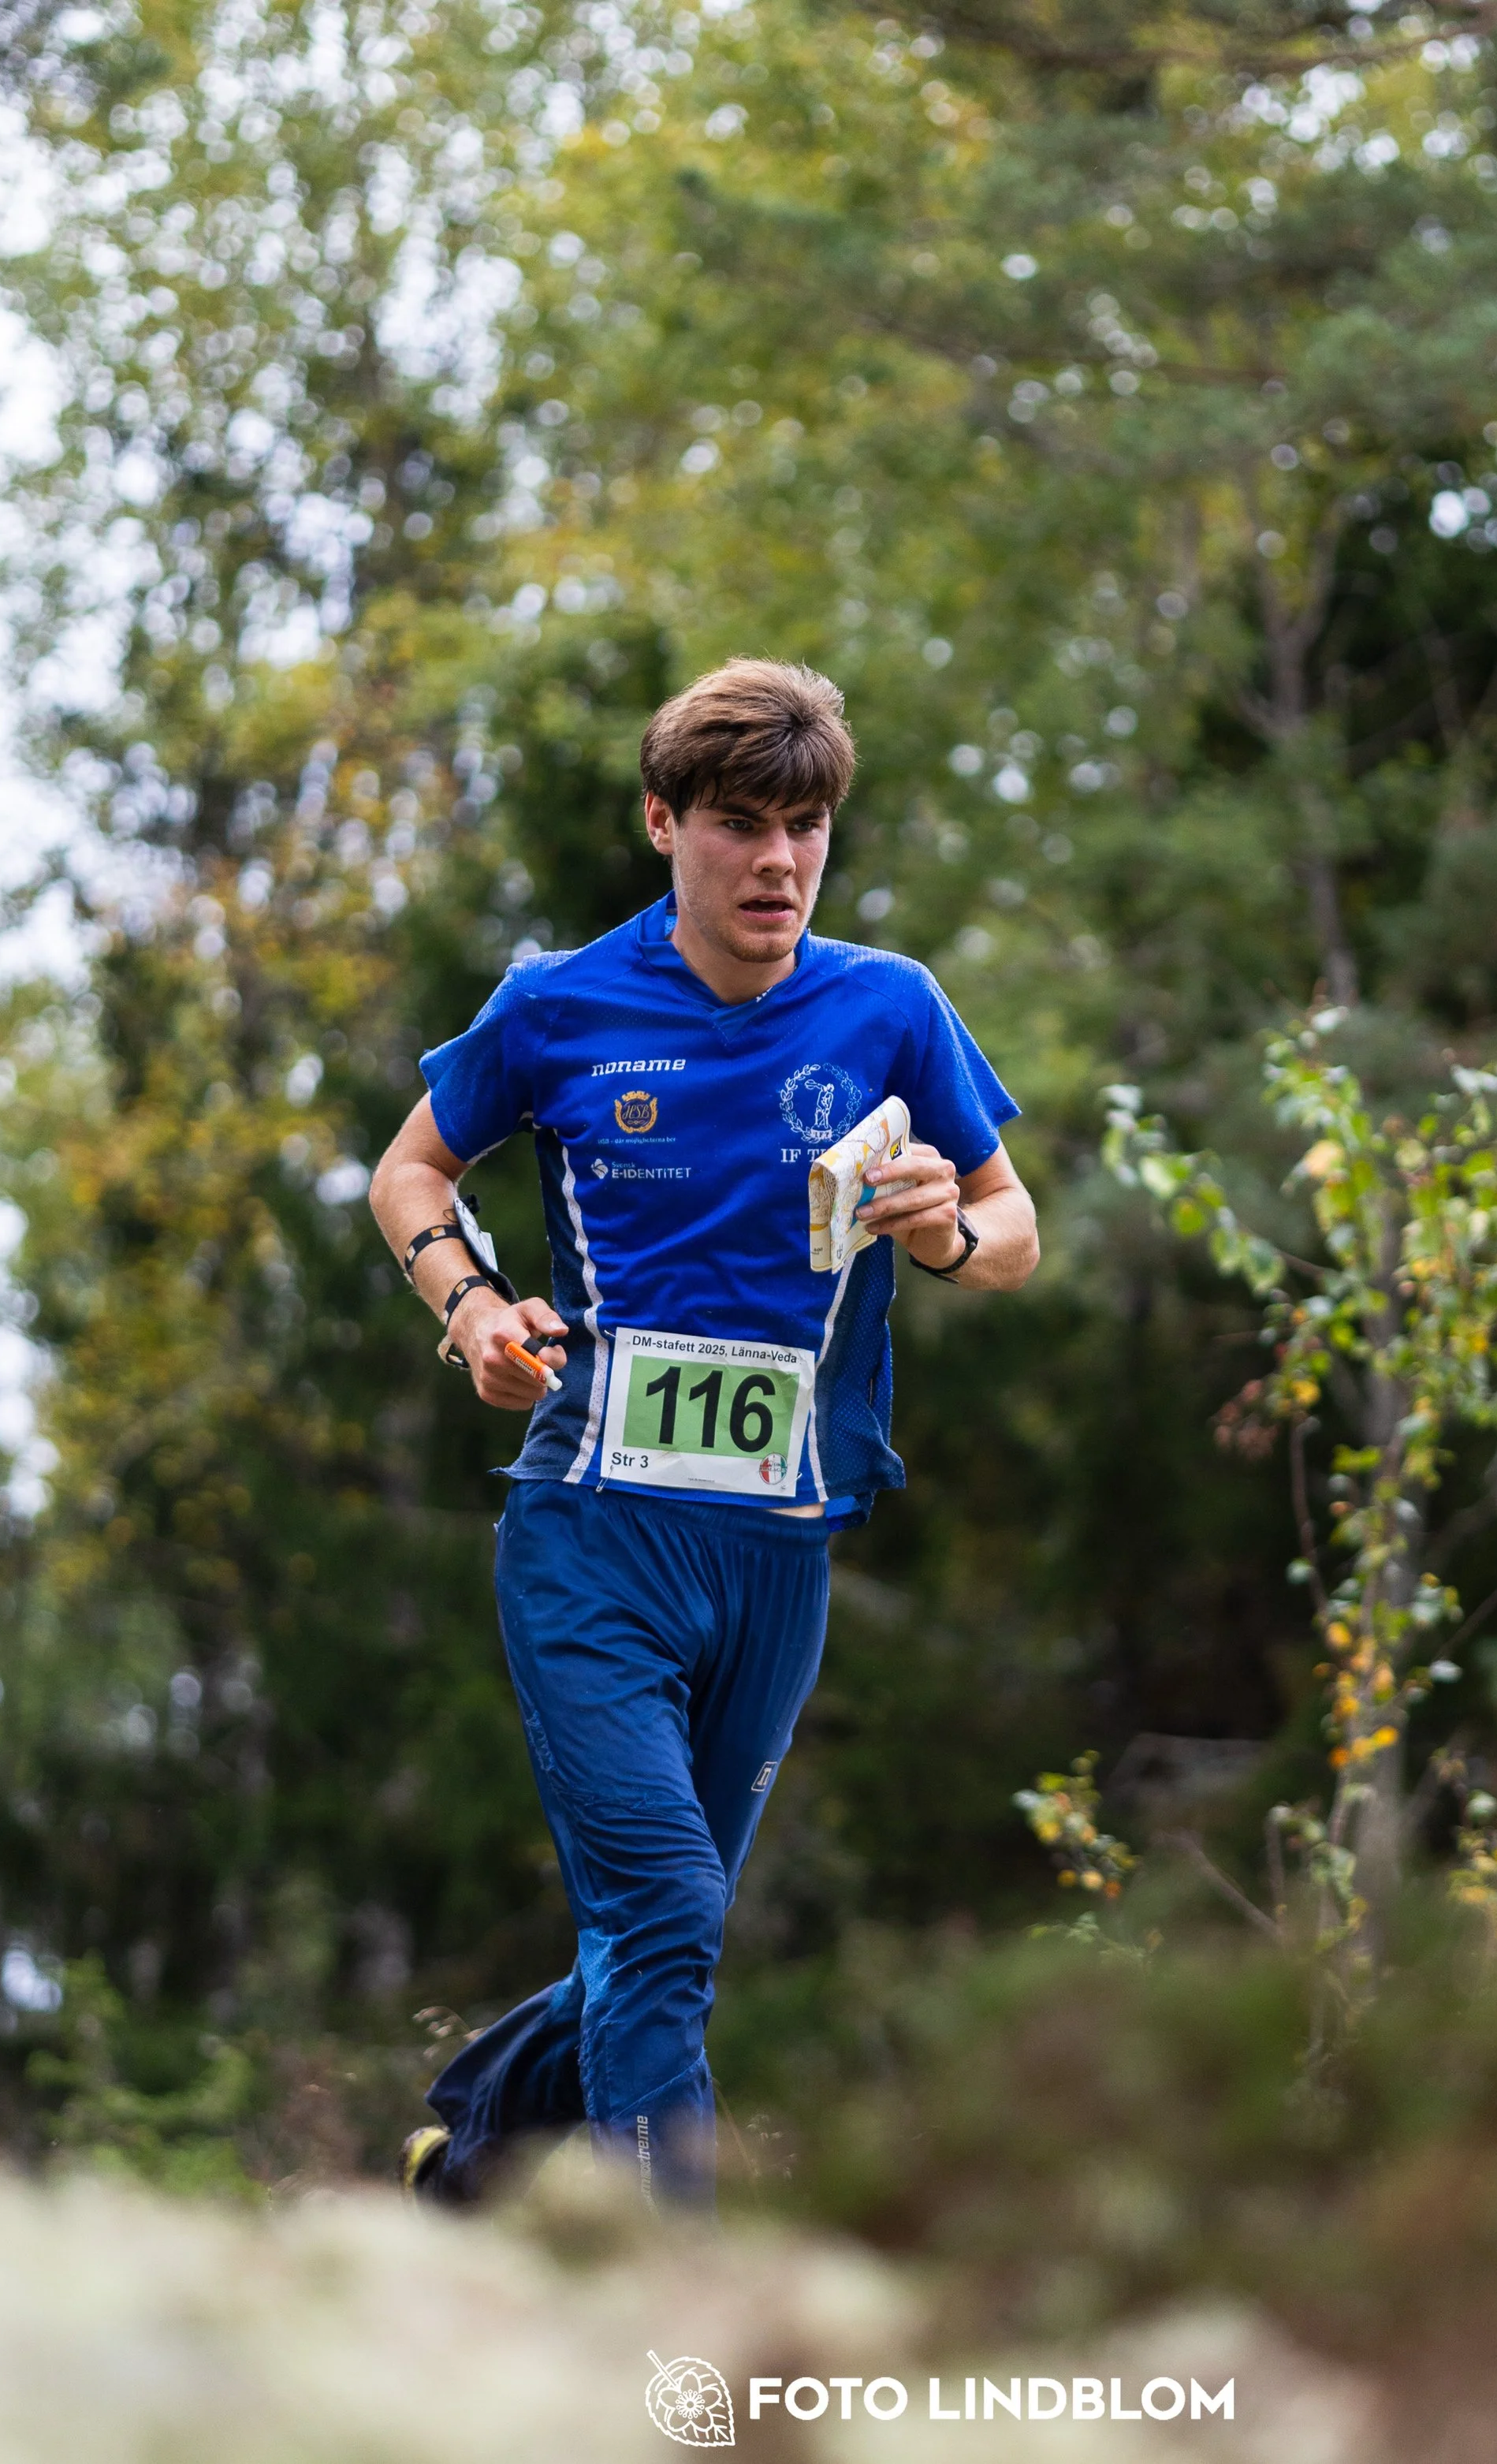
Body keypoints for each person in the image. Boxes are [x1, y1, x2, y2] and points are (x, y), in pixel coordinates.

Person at [367, 657, 1039, 2208]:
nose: (779, 863)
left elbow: (1012, 1228)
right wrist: (472, 1310)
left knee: (660, 1931)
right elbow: (410, 1171)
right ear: (663, 822)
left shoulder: (891, 1006)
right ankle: (671, 2304)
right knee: (663, 1904)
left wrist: (945, 1230)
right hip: (593, 1533)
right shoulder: (558, 1005)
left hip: (780, 1547)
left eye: (806, 828)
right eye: (740, 824)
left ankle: (471, 2159)